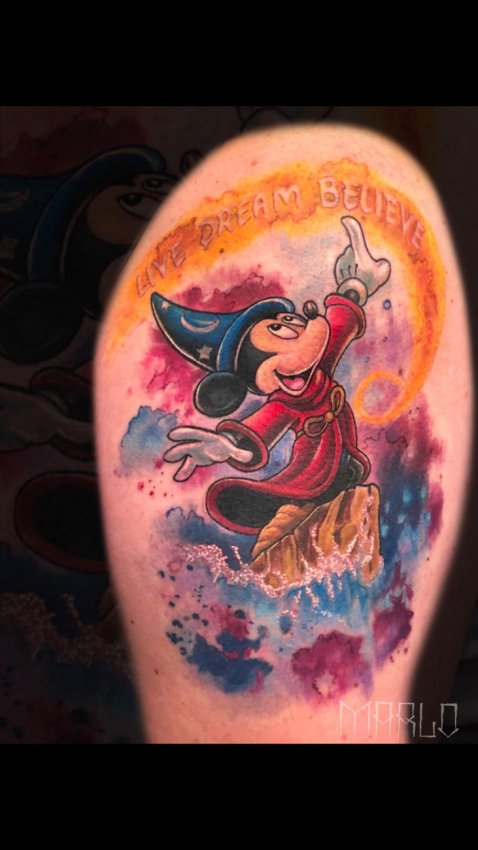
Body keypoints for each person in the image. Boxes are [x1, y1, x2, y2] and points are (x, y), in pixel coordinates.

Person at [95, 124, 473, 743]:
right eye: (280, 334)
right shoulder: (287, 397)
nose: (301, 329)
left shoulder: (314, 370)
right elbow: (266, 423)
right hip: (313, 477)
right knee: (295, 532)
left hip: (346, 481)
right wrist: (227, 443)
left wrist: (354, 285)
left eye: (294, 323)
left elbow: (335, 330)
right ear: (255, 372)